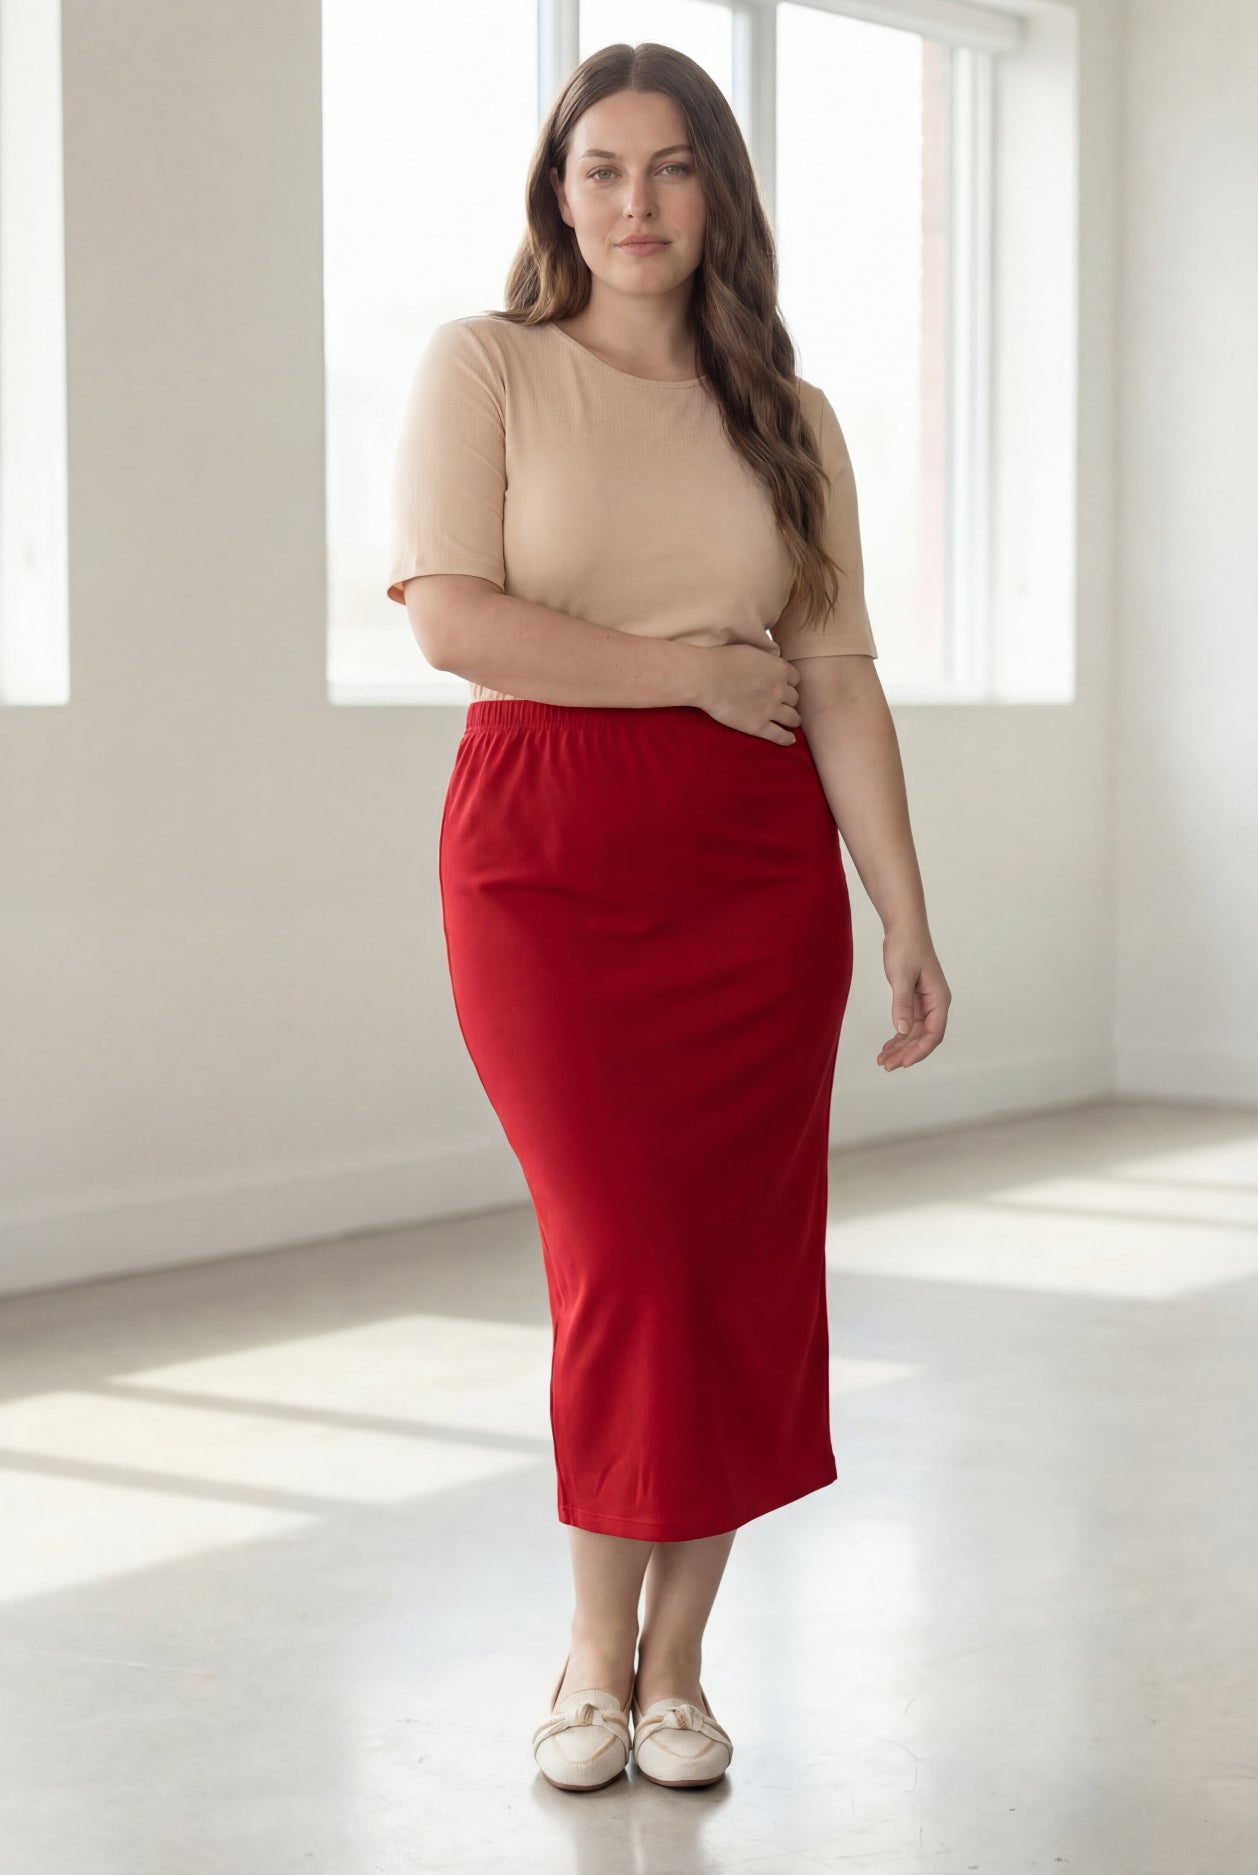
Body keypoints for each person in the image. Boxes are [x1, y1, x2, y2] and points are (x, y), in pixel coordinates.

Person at [386, 42, 951, 1794]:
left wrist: (903, 913)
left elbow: (836, 678)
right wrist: (687, 675)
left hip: (752, 873)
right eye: (602, 169)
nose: (636, 202)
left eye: (672, 167)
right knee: (622, 1252)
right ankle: (587, 1654)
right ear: (558, 196)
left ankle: (677, 1666)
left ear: (718, 193)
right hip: (544, 852)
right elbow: (452, 621)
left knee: (729, 1265)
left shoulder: (788, 415)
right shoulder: (484, 365)